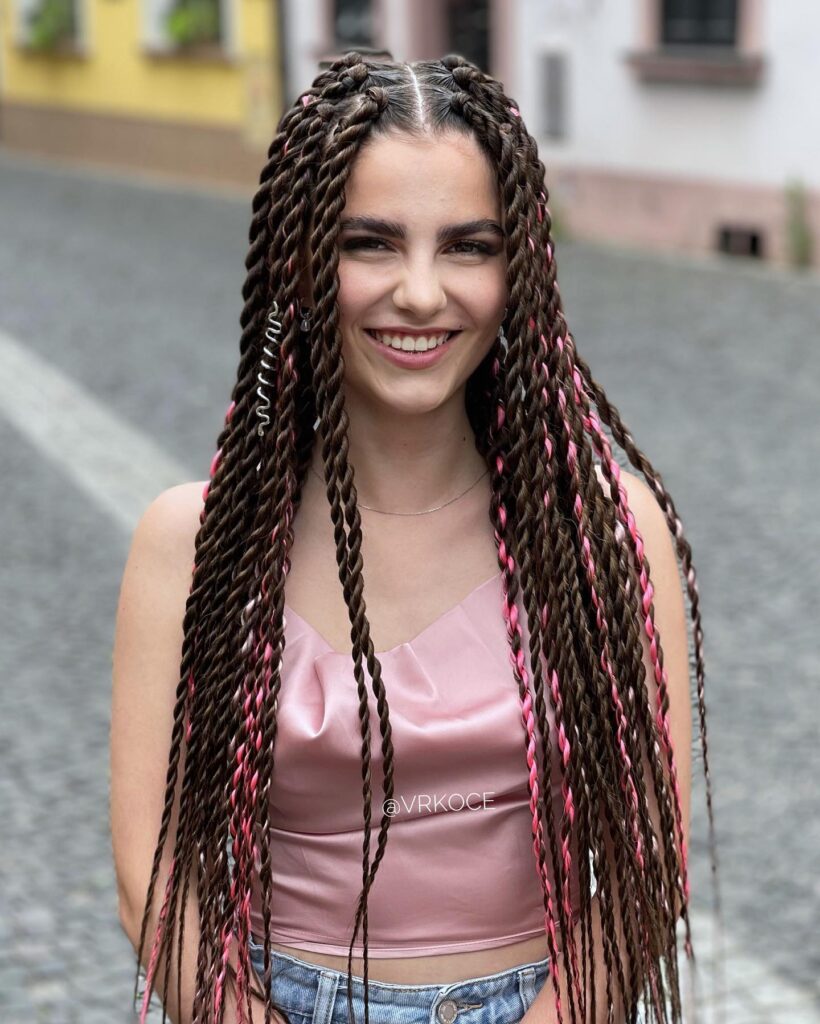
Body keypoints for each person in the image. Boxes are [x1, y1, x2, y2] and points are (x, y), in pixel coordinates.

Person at [110, 51, 716, 1024]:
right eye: (373, 244)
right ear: (303, 258)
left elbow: (648, 855)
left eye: (467, 246)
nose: (423, 293)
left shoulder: (606, 530)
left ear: (517, 265)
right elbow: (151, 868)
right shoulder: (189, 543)